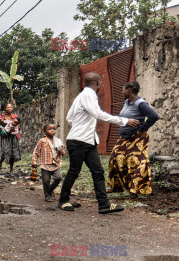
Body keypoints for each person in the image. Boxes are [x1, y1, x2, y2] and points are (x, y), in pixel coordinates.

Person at [58, 72, 140, 214]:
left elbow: (69, 118)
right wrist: (125, 121)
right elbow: (98, 114)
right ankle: (63, 200)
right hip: (78, 141)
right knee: (74, 171)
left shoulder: (80, 96)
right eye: (101, 82)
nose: (101, 85)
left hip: (88, 141)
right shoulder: (88, 95)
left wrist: (79, 126)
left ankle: (104, 205)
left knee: (98, 172)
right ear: (98, 83)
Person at [107, 81, 159, 196]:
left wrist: (142, 129)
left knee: (135, 162)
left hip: (136, 137)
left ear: (129, 90)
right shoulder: (127, 102)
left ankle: (135, 191)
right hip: (124, 137)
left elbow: (154, 116)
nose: (122, 92)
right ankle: (116, 186)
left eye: (123, 90)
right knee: (114, 158)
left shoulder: (140, 103)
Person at [32, 124, 65, 202]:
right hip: (45, 164)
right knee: (46, 180)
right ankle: (47, 196)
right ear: (44, 131)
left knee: (58, 177)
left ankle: (50, 189)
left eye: (53, 129)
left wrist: (61, 150)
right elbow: (36, 151)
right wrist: (34, 161)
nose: (52, 130)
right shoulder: (42, 141)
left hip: (55, 163)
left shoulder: (58, 141)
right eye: (49, 129)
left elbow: (63, 153)